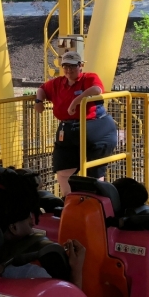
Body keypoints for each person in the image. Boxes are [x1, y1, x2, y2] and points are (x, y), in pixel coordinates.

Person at [0, 167, 85, 288]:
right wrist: (76, 270)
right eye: (28, 216)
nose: (32, 222)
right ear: (13, 227)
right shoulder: (32, 275)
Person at [35, 52, 118, 196]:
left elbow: (97, 90)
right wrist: (39, 101)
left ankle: (96, 202)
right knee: (62, 170)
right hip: (68, 130)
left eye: (72, 66)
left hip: (95, 128)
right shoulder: (58, 82)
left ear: (81, 66)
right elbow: (42, 88)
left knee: (94, 171)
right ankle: (69, 201)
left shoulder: (89, 77)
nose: (68, 69)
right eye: (65, 66)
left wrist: (77, 100)